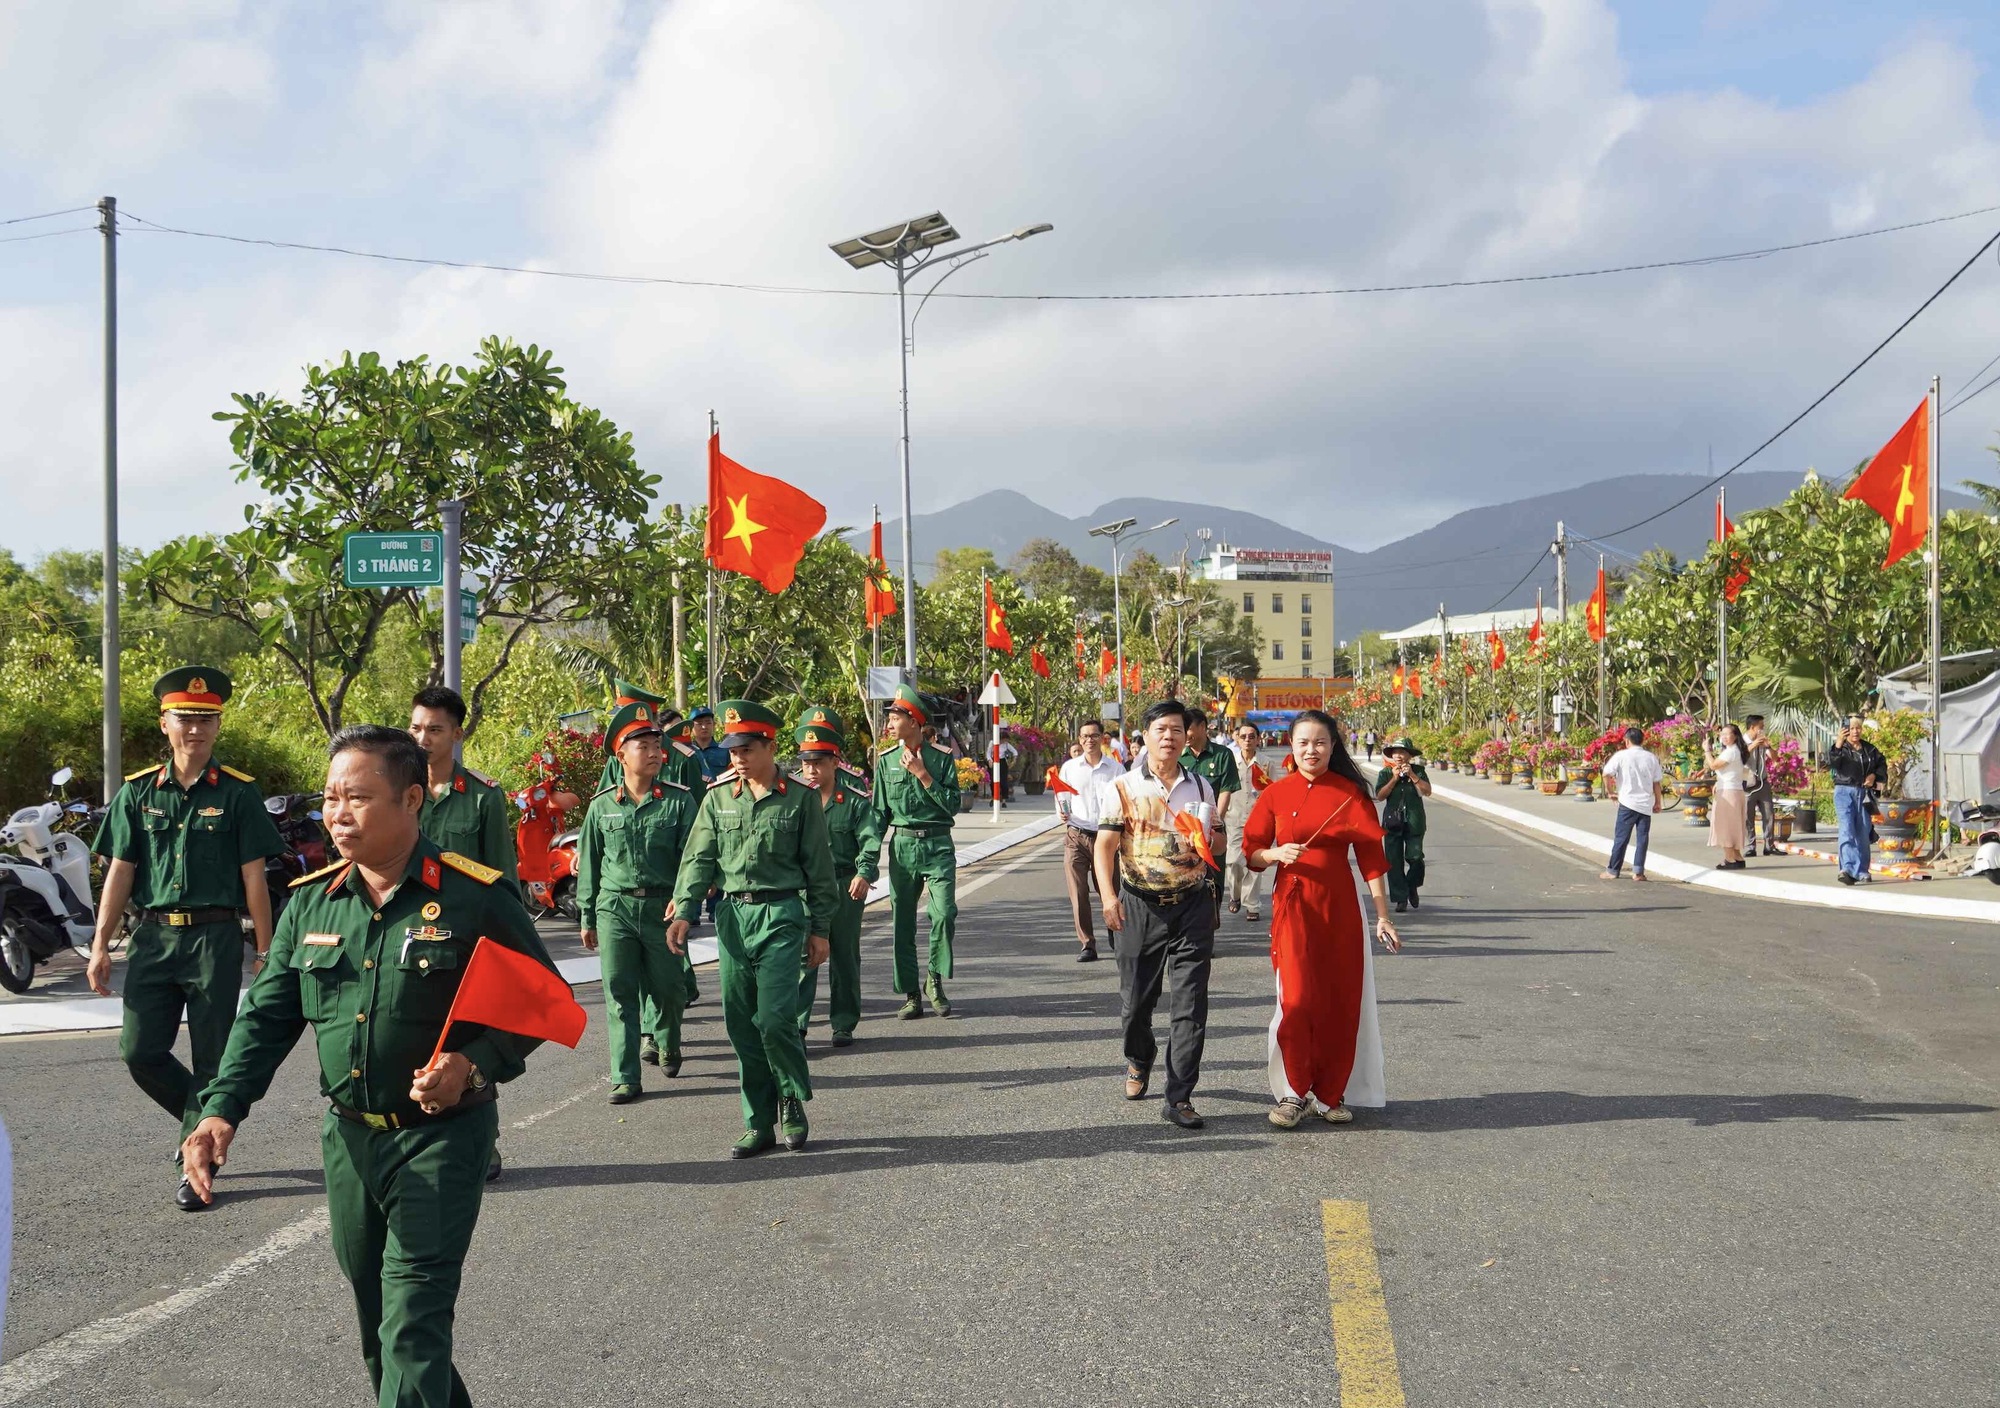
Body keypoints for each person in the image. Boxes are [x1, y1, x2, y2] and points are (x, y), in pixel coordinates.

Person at [181, 725, 561, 1405]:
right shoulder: (312, 902)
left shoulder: (475, 897)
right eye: (331, 798)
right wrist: (219, 1110)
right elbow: (267, 1019)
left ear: (411, 798)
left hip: (440, 1140)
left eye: (357, 797)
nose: (337, 813)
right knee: (379, 1332)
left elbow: (542, 1002)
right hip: (350, 1141)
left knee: (413, 1325)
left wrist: (472, 1064)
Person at [86, 666, 284, 1211]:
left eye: (207, 719)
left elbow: (254, 880)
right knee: (139, 1050)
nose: (196, 728)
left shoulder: (240, 793)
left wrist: (264, 951)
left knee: (212, 1060)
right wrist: (101, 943)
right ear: (164, 723)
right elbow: (120, 873)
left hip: (214, 939)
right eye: (186, 718)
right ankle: (204, 1124)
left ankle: (194, 1160)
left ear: (217, 726)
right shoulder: (137, 792)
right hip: (151, 940)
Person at [669, 700, 838, 1157]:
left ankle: (790, 1095)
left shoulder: (800, 799)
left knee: (776, 1018)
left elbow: (819, 871)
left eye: (746, 748)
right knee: (742, 1025)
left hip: (782, 915)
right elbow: (698, 859)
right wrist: (684, 909)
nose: (737, 757)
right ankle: (757, 1121)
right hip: (731, 918)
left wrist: (819, 929)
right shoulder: (718, 797)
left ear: (770, 745)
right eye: (732, 749)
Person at [1244, 709, 1400, 1127]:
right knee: (1296, 999)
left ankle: (1331, 1093)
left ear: (1333, 746)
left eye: (1320, 742)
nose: (1311, 749)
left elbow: (1371, 860)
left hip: (1339, 910)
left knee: (1339, 1000)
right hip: (1293, 907)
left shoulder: (1350, 794)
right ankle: (1293, 1092)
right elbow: (1252, 851)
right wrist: (1275, 854)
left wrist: (1382, 916)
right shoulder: (1276, 794)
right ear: (1291, 748)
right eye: (1303, 742)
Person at [1093, 699, 1225, 1130]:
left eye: (1177, 730)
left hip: (1192, 906)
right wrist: (1109, 898)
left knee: (1190, 1005)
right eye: (1161, 729)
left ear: (1189, 737)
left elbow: (1219, 845)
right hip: (1138, 906)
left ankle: (1180, 1096)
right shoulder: (1124, 787)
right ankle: (1139, 1057)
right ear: (1146, 737)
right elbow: (1105, 847)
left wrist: (1208, 837)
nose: (1169, 737)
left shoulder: (1202, 788)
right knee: (1136, 1005)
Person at [409, 684, 520, 1182]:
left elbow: (502, 875)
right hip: (409, 936)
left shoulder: (482, 795)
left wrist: (505, 945)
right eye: (415, 728)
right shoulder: (398, 789)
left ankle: (484, 1143)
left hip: (464, 939)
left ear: (456, 734)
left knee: (468, 1044)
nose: (423, 738)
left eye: (435, 729)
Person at [577, 701, 697, 1102]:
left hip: (662, 908)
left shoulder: (679, 801)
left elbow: (692, 860)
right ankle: (625, 1075)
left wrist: (685, 902)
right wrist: (587, 915)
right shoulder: (602, 806)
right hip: (615, 908)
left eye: (655, 745)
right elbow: (591, 864)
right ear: (621, 754)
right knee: (618, 991)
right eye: (641, 745)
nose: (652, 752)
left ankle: (669, 1039)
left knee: (668, 988)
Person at [792, 710, 882, 1046]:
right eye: (806, 762)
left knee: (844, 955)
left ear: (835, 762)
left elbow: (870, 841)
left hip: (844, 887)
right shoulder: (795, 799)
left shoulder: (854, 802)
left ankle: (843, 1022)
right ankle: (797, 1026)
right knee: (805, 955)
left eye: (819, 761)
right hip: (805, 889)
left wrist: (863, 872)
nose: (811, 769)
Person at [870, 686, 962, 1018]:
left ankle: (934, 979)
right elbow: (879, 813)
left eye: (895, 718)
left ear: (914, 721)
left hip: (938, 844)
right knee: (902, 923)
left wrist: (923, 776)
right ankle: (911, 993)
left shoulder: (941, 757)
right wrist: (866, 861)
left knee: (944, 913)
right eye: (890, 718)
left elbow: (954, 805)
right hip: (903, 846)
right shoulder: (885, 761)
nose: (890, 724)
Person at [1057, 720, 1125, 961]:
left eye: (1094, 735)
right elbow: (1061, 796)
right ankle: (1087, 943)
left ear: (1102, 738)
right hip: (1076, 834)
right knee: (1078, 891)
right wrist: (1062, 813)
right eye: (1084, 736)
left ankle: (1115, 931)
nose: (1089, 740)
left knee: (1110, 888)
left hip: (1106, 837)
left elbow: (1123, 800)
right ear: (1079, 738)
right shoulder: (1070, 768)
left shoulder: (1116, 769)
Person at [1180, 706, 1241, 918]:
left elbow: (1225, 790)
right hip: (1184, 831)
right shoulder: (1179, 757)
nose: (1184, 733)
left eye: (1187, 728)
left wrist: (1214, 823)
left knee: (1213, 878)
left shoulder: (1223, 755)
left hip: (1212, 829)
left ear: (1203, 727)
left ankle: (1210, 924)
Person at [1372, 736, 1432, 911]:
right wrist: (1394, 779)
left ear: (1409, 755)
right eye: (1395, 752)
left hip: (1414, 821)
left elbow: (1427, 791)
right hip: (1392, 822)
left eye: (1402, 752)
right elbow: (1380, 795)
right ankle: (1400, 898)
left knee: (1415, 857)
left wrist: (1412, 775)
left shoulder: (1419, 771)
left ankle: (1412, 885)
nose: (1398, 755)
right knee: (1393, 861)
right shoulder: (1385, 773)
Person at [1599, 726, 1664, 881]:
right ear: (1642, 740)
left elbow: (1606, 774)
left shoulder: (1621, 756)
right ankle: (1638, 871)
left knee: (1621, 838)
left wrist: (1610, 792)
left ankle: (1613, 870)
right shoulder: (1651, 758)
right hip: (1645, 804)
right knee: (1642, 838)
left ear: (1627, 741)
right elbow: (1656, 783)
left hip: (1627, 803)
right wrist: (1658, 802)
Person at [1829, 715, 1887, 885]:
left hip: (1863, 793)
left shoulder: (1869, 750)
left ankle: (1862, 870)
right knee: (1847, 828)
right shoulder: (1839, 748)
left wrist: (1874, 775)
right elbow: (1832, 762)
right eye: (1851, 728)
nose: (1855, 731)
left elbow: (1882, 765)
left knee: (1863, 830)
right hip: (1843, 792)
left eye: (1858, 728)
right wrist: (1838, 743)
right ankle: (1847, 869)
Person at [1224, 720, 1273, 921]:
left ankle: (1252, 905)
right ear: (1237, 738)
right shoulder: (1230, 761)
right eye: (1243, 736)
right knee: (1234, 861)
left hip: (1257, 819)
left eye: (1251, 736)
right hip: (1233, 817)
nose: (1247, 740)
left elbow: (1273, 791)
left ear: (1258, 739)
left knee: (1255, 861)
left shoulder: (1266, 762)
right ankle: (1235, 895)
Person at [1705, 723, 1749, 870]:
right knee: (1733, 825)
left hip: (1729, 792)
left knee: (1725, 826)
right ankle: (1737, 857)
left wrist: (1707, 751)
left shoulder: (1731, 752)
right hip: (1732, 790)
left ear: (1735, 736)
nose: (1723, 737)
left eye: (1727, 734)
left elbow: (1713, 765)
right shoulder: (1735, 751)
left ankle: (1730, 858)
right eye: (1721, 734)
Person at [1743, 715, 1776, 856]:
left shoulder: (1762, 742)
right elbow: (1740, 757)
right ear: (1752, 727)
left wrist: (1768, 746)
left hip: (1763, 781)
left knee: (1768, 814)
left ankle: (1769, 845)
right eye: (1760, 727)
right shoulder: (1742, 741)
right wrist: (1754, 744)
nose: (1763, 730)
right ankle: (1751, 846)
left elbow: (1774, 757)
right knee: (1747, 816)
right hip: (1747, 783)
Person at [687, 705, 731, 783]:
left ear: (714, 725)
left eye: (708, 723)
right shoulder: (687, 751)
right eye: (699, 724)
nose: (704, 727)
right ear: (691, 727)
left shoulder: (725, 750)